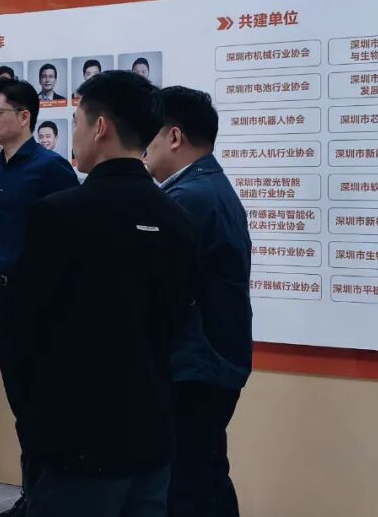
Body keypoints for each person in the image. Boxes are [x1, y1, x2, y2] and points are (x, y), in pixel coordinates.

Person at [15, 71, 196, 517]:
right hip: (153, 434)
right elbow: (177, 322)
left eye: (76, 122)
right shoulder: (177, 218)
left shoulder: (58, 215)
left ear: (100, 127)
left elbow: (28, 334)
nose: (73, 134)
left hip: (78, 443)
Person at [144, 87, 252, 517]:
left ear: (174, 136)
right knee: (206, 475)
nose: (143, 147)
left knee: (187, 486)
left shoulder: (188, 198)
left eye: (149, 135)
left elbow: (163, 292)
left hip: (195, 366)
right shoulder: (207, 187)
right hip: (212, 361)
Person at [0, 76, 79, 516]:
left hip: (43, 300)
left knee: (47, 404)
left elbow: (73, 237)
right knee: (20, 402)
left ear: (25, 117)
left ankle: (50, 499)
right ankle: (32, 497)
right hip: (3, 295)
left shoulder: (52, 169)